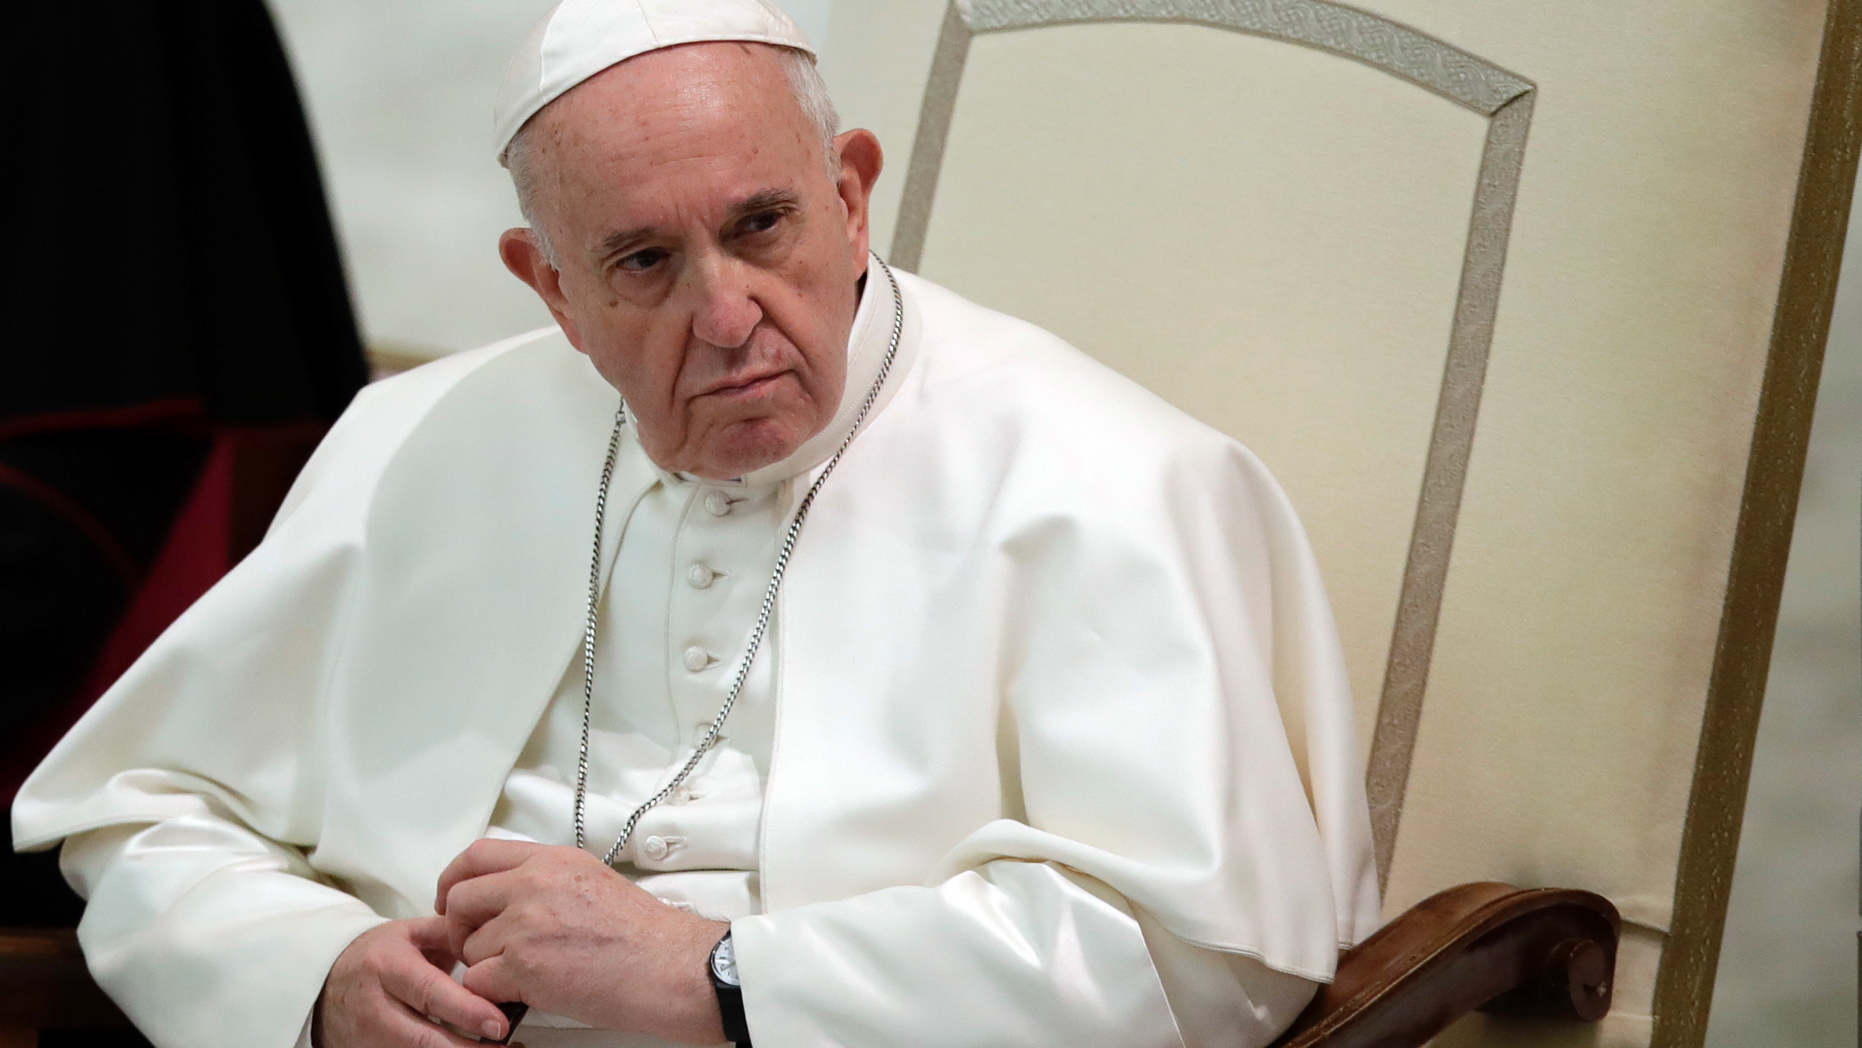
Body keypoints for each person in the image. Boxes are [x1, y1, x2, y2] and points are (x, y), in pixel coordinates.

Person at [13, 1, 1380, 1046]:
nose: (726, 320)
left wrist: (721, 980)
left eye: (762, 226)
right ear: (549, 288)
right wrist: (307, 974)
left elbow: (1198, 954)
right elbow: (147, 812)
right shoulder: (414, 445)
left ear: (848, 197)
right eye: (644, 263)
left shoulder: (1109, 480)